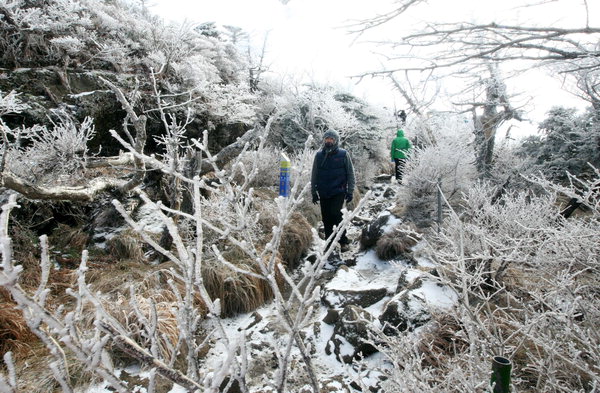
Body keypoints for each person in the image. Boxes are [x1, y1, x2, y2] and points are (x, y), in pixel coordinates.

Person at [311, 129, 355, 253]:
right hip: (323, 190)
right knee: (326, 217)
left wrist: (350, 191)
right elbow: (314, 174)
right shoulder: (319, 155)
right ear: (324, 140)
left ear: (336, 140)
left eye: (331, 139)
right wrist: (313, 192)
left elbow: (350, 173)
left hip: (339, 190)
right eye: (327, 138)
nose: (329, 141)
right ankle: (329, 242)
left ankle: (343, 241)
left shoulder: (343, 154)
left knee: (336, 214)